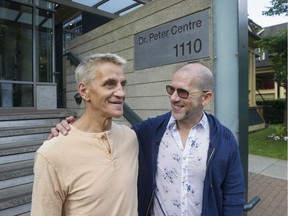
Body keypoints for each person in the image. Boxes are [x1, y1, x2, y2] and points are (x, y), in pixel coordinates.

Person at [49, 63, 245, 216]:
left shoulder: (224, 139)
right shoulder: (149, 131)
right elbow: (108, 136)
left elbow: (233, 195)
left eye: (183, 92)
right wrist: (73, 130)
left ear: (206, 98)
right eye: (171, 89)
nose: (174, 98)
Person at [31, 53, 139, 216]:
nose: (121, 93)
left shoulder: (130, 138)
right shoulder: (51, 154)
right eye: (110, 84)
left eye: (122, 84)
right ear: (84, 91)